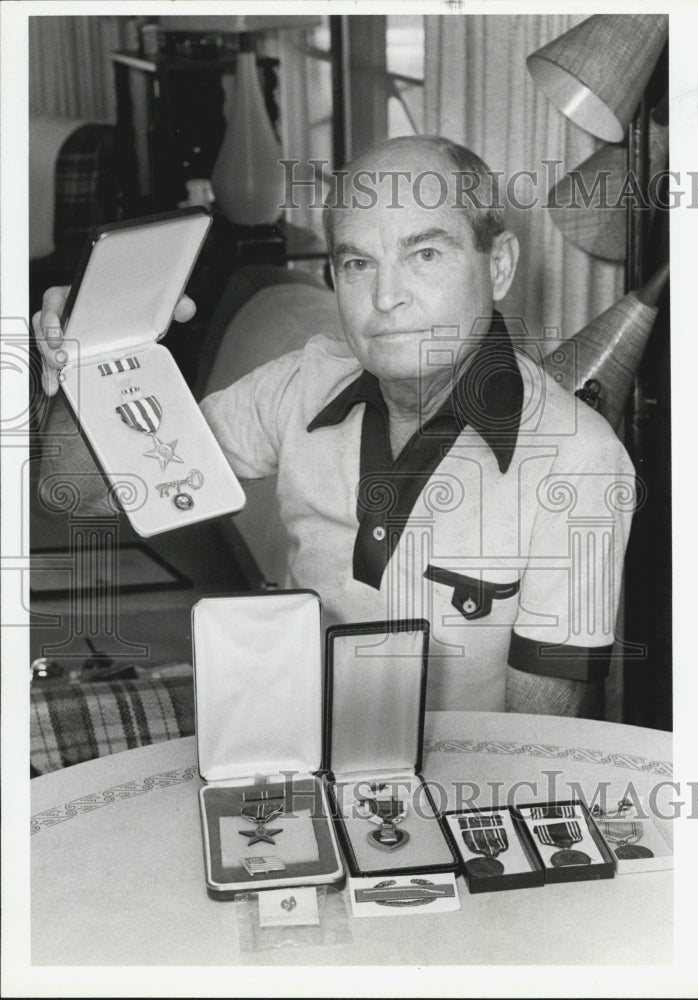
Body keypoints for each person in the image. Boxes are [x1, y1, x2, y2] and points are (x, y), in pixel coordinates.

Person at [33, 134, 636, 716]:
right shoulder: (302, 383)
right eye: (358, 263)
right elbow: (80, 492)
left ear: (498, 265)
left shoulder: (582, 461)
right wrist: (91, 358)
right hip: (290, 731)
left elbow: (532, 746)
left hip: (455, 789)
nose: (386, 297)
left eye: (425, 254)